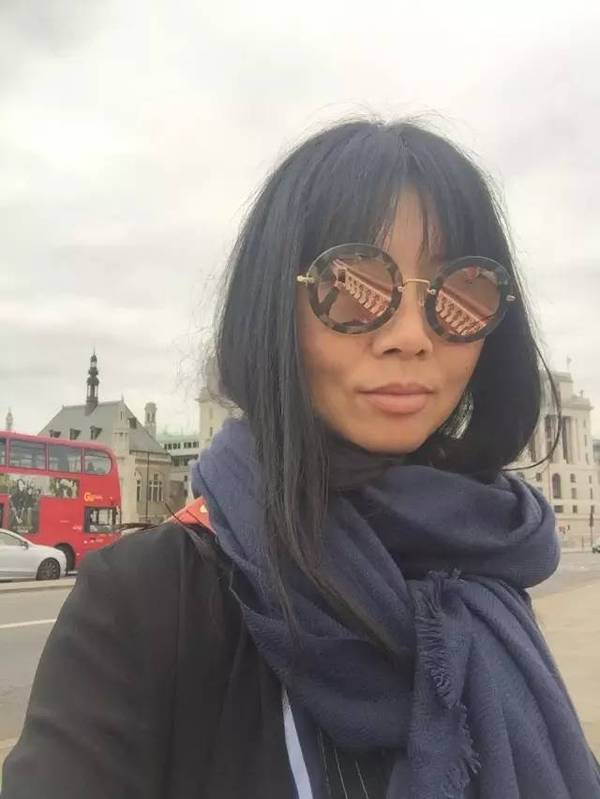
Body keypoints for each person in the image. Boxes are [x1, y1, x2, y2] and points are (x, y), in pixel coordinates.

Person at [2, 119, 599, 799]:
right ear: (274, 307)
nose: (411, 335)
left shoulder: (488, 568)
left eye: (462, 293)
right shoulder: (153, 599)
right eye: (354, 286)